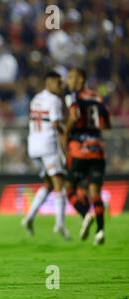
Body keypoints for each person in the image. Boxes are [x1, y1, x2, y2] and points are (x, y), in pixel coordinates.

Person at [64, 68, 112, 245]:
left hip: (81, 149)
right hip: (98, 149)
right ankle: (100, 232)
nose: (68, 80)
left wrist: (66, 133)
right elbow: (107, 124)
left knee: (68, 188)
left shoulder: (74, 96)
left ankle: (85, 214)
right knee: (95, 192)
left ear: (81, 79)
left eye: (71, 77)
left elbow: (74, 115)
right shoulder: (97, 96)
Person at [22, 71, 70, 240]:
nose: (61, 86)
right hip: (47, 145)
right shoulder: (55, 100)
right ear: (48, 84)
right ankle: (60, 224)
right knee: (59, 184)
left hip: (33, 146)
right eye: (58, 83)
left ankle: (29, 217)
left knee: (49, 184)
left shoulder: (36, 98)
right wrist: (68, 133)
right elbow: (56, 123)